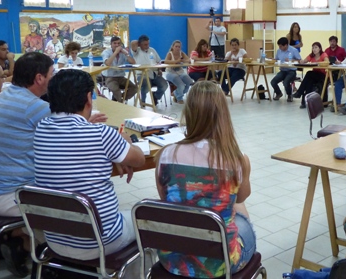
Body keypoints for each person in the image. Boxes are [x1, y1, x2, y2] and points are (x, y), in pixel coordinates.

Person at [0, 52, 107, 277]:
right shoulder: (32, 107)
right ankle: (43, 254)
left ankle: (21, 239)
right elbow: (72, 131)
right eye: (51, 73)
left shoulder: (9, 95)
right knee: (77, 208)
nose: (54, 77)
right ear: (39, 78)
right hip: (10, 195)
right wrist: (87, 119)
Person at [34, 69, 144, 261]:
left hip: (54, 239)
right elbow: (139, 159)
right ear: (88, 98)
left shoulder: (41, 129)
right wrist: (125, 141)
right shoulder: (101, 134)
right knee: (144, 219)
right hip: (100, 241)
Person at [155, 81, 256, 277]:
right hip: (220, 263)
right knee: (239, 211)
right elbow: (242, 197)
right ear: (223, 116)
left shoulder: (165, 155)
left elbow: (165, 197)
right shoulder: (236, 159)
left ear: (189, 114)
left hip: (173, 260)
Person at [131, 34, 168, 105]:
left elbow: (158, 61)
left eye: (148, 44)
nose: (147, 46)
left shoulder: (152, 50)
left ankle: (156, 96)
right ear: (139, 44)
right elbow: (133, 42)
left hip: (154, 73)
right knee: (146, 85)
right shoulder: (136, 51)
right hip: (142, 74)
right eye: (145, 44)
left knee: (164, 85)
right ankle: (143, 101)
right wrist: (138, 43)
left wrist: (159, 69)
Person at [292, 42, 329, 109]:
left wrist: (317, 62)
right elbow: (303, 61)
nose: (314, 49)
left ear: (320, 48)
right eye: (313, 48)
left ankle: (299, 93)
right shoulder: (311, 55)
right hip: (314, 75)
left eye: (316, 47)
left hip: (323, 75)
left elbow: (327, 62)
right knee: (308, 82)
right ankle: (304, 102)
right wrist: (299, 61)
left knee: (309, 73)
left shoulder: (323, 54)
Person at [102, 36, 138, 102]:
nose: (117, 45)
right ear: (111, 44)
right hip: (110, 77)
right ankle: (120, 101)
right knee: (116, 89)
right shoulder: (106, 52)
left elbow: (133, 62)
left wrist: (126, 54)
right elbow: (107, 63)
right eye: (114, 43)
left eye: (118, 43)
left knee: (135, 88)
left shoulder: (123, 53)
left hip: (121, 77)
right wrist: (115, 52)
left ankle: (119, 99)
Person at [270, 37, 301, 102]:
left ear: (286, 45)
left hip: (291, 71)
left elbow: (300, 60)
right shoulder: (279, 51)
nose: (279, 48)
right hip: (283, 70)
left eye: (281, 46)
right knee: (273, 82)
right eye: (279, 46)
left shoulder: (294, 50)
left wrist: (292, 60)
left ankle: (289, 95)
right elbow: (277, 59)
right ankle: (279, 93)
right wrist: (272, 60)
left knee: (286, 82)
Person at [164, 40, 194, 104]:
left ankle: (175, 93)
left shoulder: (181, 53)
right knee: (181, 85)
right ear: (173, 47)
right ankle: (179, 98)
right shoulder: (170, 54)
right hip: (170, 72)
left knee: (190, 83)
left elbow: (188, 59)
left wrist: (184, 60)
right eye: (176, 46)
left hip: (180, 71)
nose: (177, 48)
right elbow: (166, 61)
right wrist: (176, 61)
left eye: (179, 47)